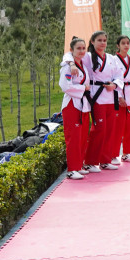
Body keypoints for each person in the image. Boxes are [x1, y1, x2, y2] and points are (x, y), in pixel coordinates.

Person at [81, 31, 123, 171]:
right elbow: (69, 56)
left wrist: (115, 85)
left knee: (109, 130)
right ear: (92, 42)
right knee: (99, 129)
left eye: (104, 40)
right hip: (96, 96)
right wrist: (72, 65)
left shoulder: (111, 58)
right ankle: (90, 161)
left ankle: (105, 160)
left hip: (110, 96)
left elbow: (119, 74)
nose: (103, 43)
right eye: (99, 40)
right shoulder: (87, 57)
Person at [59, 37, 91, 179]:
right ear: (71, 50)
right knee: (73, 138)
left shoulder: (82, 64)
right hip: (72, 104)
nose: (81, 51)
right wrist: (83, 88)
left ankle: (79, 165)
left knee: (82, 137)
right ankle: (72, 169)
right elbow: (65, 86)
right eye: (78, 48)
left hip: (83, 105)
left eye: (83, 48)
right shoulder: (67, 66)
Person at [112, 35, 130, 164]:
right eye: (123, 43)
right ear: (118, 45)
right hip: (118, 94)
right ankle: (113, 154)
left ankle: (126, 153)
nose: (126, 46)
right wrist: (119, 96)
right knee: (117, 127)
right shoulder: (112, 60)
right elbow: (113, 79)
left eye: (128, 43)